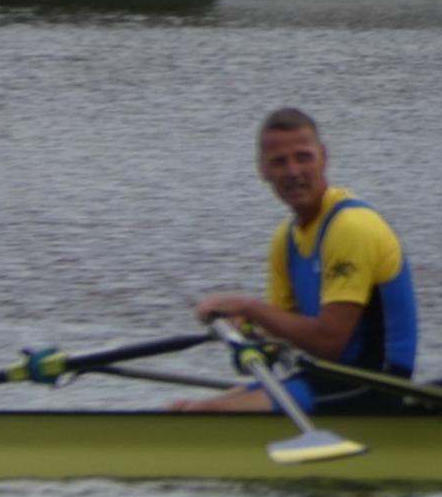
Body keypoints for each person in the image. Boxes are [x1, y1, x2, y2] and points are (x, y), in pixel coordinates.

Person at [172, 107, 418, 412]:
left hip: (375, 385)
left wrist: (249, 308)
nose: (293, 172)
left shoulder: (352, 228)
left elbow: (329, 343)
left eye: (303, 157)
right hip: (323, 378)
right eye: (279, 162)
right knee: (182, 410)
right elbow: (282, 334)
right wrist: (248, 331)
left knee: (203, 414)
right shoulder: (285, 239)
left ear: (323, 157)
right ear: (263, 170)